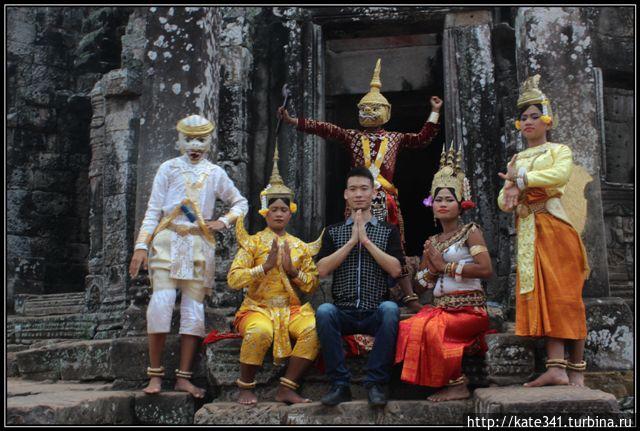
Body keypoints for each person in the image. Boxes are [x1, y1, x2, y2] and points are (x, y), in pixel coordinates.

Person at [278, 58, 442, 306]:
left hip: (387, 200)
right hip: (357, 202)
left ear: (386, 112)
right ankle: (352, 291)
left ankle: (407, 294)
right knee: (350, 240)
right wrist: (294, 122)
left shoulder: (396, 138)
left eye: (374, 109)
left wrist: (435, 112)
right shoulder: (352, 136)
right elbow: (326, 129)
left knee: (396, 242)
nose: (368, 113)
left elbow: (422, 139)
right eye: (364, 109)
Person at [129, 114, 248, 397]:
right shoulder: (168, 168)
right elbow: (153, 210)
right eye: (189, 139)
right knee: (161, 303)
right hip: (168, 240)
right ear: (179, 140)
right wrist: (141, 246)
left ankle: (184, 377)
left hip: (198, 243)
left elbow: (240, 202)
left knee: (193, 312)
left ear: (210, 141)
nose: (195, 145)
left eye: (201, 139)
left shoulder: (215, 173)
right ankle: (155, 375)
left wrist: (224, 221)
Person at [498, 74, 590, 387]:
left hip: (554, 227)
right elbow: (503, 201)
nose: (528, 122)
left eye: (535, 116)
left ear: (547, 120)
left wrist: (519, 181)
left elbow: (559, 176)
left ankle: (576, 369)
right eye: (523, 117)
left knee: (565, 295)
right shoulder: (516, 158)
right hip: (528, 230)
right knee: (545, 296)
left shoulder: (558, 150)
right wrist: (509, 188)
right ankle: (557, 368)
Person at [395, 143, 493, 401]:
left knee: (433, 329)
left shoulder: (470, 231)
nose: (442, 204)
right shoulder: (432, 241)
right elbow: (422, 287)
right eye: (438, 199)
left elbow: (486, 269)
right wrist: (425, 268)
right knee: (409, 327)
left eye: (449, 199)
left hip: (469, 311)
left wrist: (445, 266)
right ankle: (426, 382)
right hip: (442, 308)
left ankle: (458, 384)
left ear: (461, 204)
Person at [227, 147, 323, 405]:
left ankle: (287, 387)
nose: (279, 213)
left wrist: (293, 271)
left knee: (314, 329)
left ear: (291, 212)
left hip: (292, 310)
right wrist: (264, 267)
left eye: (283, 209)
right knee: (259, 331)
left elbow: (312, 284)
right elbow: (234, 279)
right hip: (257, 308)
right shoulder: (253, 243)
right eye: (274, 209)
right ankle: (245, 386)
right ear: (264, 213)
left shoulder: (301, 247)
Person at [315, 166, 404, 407]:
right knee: (324, 312)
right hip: (343, 311)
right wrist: (352, 242)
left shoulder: (387, 231)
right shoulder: (333, 231)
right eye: (353, 189)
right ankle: (340, 384)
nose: (358, 194)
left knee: (390, 309)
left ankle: (376, 382)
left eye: (364, 189)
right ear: (345, 194)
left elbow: (396, 269)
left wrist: (366, 241)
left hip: (374, 310)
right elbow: (322, 269)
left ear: (374, 192)